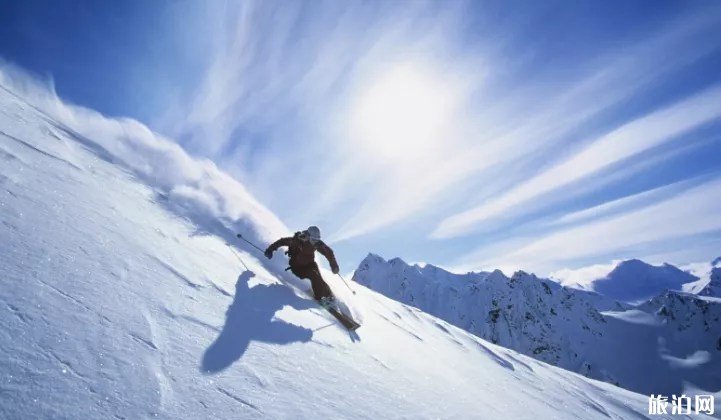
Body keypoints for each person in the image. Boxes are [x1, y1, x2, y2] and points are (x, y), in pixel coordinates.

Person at [264, 226, 340, 306]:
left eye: (317, 240)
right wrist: (270, 250)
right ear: (308, 236)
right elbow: (281, 241)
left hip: (310, 264)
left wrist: (334, 265)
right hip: (297, 267)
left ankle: (330, 297)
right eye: (313, 240)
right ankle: (320, 298)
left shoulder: (316, 244)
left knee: (319, 279)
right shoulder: (297, 241)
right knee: (314, 275)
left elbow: (328, 252)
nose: (315, 242)